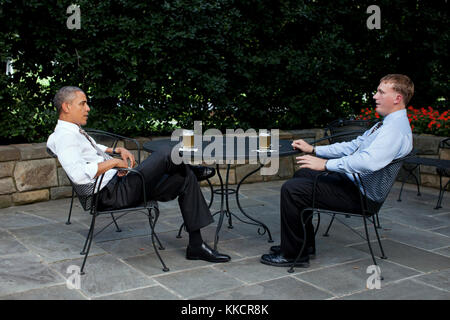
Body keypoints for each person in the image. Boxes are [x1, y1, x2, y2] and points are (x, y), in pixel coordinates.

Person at [47, 86, 231, 263]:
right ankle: (191, 167)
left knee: (185, 178)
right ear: (66, 106)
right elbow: (78, 174)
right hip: (111, 194)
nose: (87, 108)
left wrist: (116, 150)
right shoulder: (66, 136)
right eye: (82, 103)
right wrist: (114, 162)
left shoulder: (69, 131)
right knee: (166, 153)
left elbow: (91, 150)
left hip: (119, 185)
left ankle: (196, 246)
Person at [260, 74, 414, 267]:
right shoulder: (387, 124)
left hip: (362, 197)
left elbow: (368, 162)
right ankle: (303, 245)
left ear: (397, 98)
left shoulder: (394, 130)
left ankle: (293, 256)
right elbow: (354, 146)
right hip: (354, 183)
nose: (375, 96)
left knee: (293, 190)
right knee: (303, 174)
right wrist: (315, 150)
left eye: (381, 92)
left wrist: (324, 164)